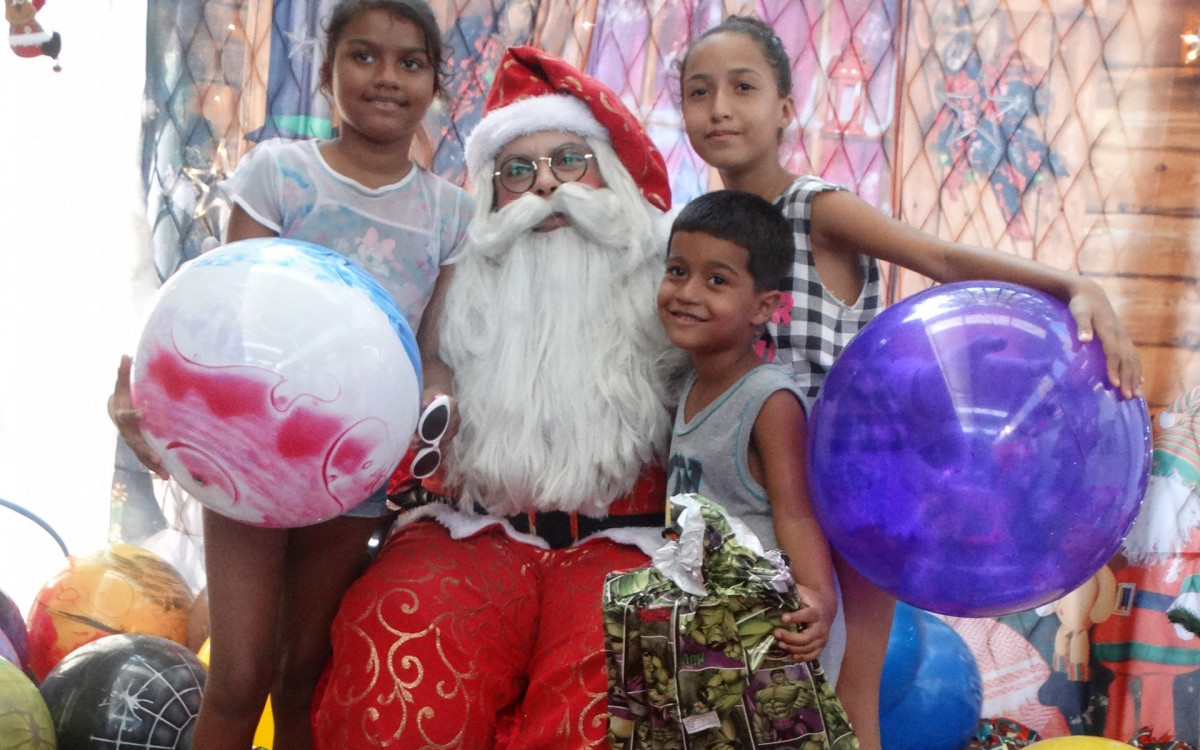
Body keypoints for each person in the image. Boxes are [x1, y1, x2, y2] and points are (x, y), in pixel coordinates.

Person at [676, 14, 1144, 750]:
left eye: (743, 87)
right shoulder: (702, 230)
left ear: (786, 107)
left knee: (844, 690)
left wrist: (1070, 281)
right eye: (699, 92)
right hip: (746, 493)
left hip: (851, 496)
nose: (719, 109)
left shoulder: (817, 208)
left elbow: (943, 259)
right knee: (740, 698)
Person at [106, 2, 472, 748]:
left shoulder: (450, 214)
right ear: (328, 68)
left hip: (353, 472)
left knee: (303, 668)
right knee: (239, 676)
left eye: (411, 62)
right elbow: (224, 318)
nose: (387, 77)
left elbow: (430, 349)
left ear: (437, 82)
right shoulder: (280, 173)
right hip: (250, 457)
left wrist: (441, 396)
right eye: (363, 55)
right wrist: (162, 405)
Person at [312, 46, 686, 750]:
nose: (547, 186)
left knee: (628, 695)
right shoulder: (453, 283)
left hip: (632, 543)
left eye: (570, 161)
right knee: (395, 648)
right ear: (491, 195)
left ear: (609, 172)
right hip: (472, 529)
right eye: (518, 171)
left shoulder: (669, 276)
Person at [661, 189, 837, 667]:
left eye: (716, 280)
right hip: (701, 617)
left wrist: (819, 596)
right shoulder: (691, 380)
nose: (687, 292)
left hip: (760, 632)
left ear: (763, 307)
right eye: (677, 271)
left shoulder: (769, 400)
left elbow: (797, 513)